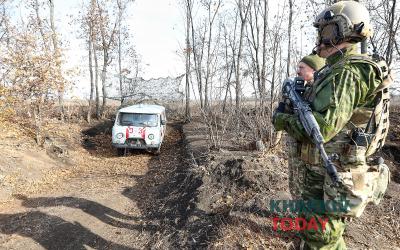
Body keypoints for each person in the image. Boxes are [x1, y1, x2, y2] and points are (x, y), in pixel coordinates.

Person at [273, 1, 391, 249]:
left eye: (327, 31)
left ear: (345, 31)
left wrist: (283, 120)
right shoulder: (335, 70)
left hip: (330, 171)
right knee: (317, 235)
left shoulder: (348, 72)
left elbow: (321, 128)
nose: (321, 38)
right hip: (322, 171)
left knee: (322, 237)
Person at [287, 54, 325, 200]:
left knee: (308, 188)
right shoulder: (303, 89)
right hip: (298, 149)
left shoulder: (320, 92)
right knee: (295, 181)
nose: (298, 71)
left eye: (302, 68)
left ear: (314, 70)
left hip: (312, 153)